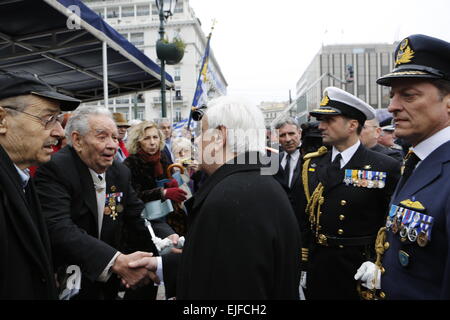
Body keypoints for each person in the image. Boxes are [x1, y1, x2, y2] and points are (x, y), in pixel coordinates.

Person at [133, 96, 302, 299]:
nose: (196, 140)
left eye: (202, 132)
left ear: (219, 136)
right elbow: (225, 266)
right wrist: (162, 266)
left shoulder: (230, 199)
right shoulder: (258, 183)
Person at [34, 106, 176, 300]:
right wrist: (116, 261)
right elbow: (58, 228)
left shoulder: (119, 172)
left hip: (106, 281)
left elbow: (138, 216)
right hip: (66, 277)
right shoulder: (55, 169)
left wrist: (168, 240)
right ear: (77, 140)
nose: (113, 145)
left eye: (115, 138)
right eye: (102, 137)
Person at [355, 34, 450, 300]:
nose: (392, 106)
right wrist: (387, 276)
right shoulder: (417, 160)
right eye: (393, 95)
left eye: (408, 95)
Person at [301, 86, 400, 300]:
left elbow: (390, 222)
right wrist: (303, 264)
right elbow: (305, 216)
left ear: (352, 125)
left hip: (358, 266)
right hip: (320, 266)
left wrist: (378, 262)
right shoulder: (313, 163)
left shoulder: (383, 166)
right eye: (321, 120)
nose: (321, 126)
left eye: (329, 120)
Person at [0, 70, 80, 299]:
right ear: (1, 120)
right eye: (48, 119)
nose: (59, 131)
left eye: (58, 119)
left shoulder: (21, 179)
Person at [124, 121, 187, 237]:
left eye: (155, 137)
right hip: (147, 221)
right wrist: (163, 192)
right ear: (138, 141)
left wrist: (170, 183)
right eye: (146, 138)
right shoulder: (130, 163)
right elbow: (133, 196)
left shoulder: (162, 156)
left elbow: (168, 178)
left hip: (170, 214)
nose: (152, 142)